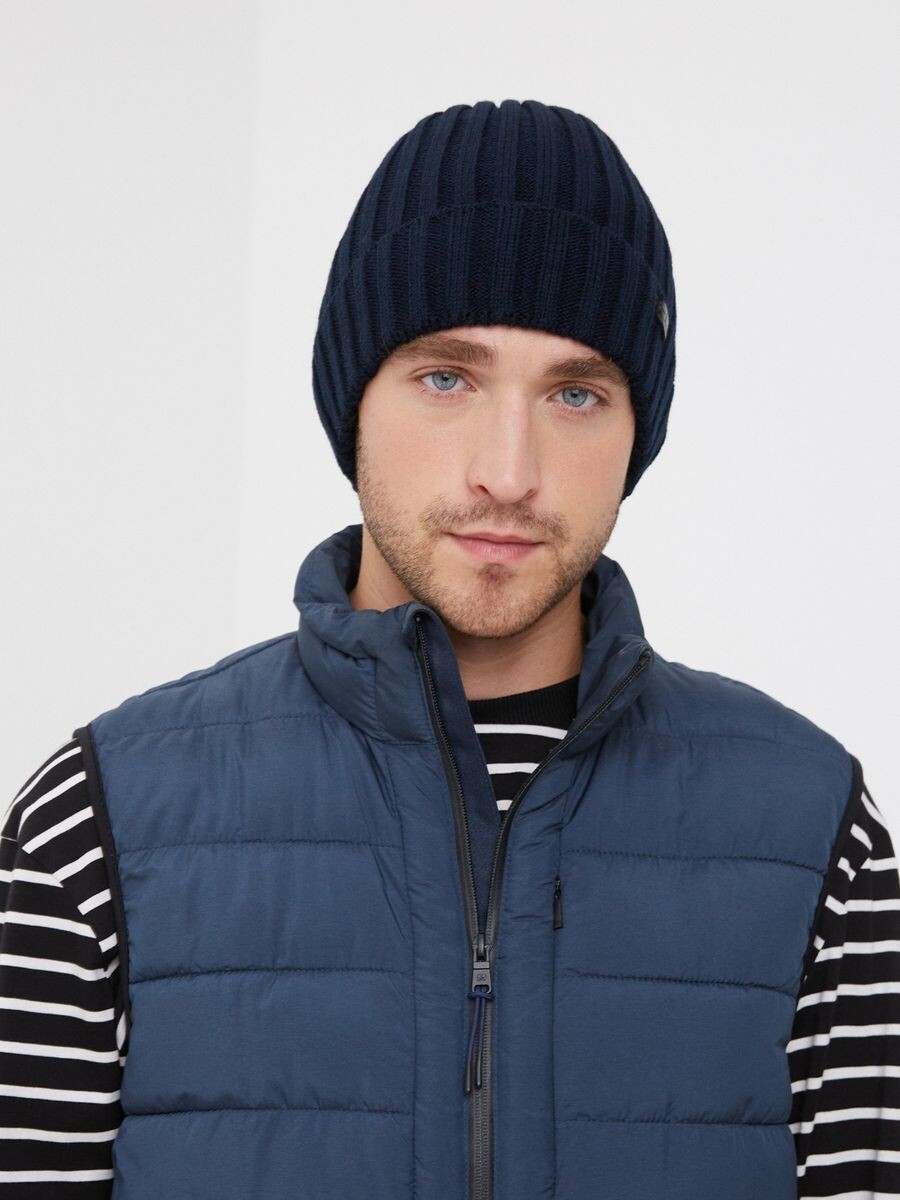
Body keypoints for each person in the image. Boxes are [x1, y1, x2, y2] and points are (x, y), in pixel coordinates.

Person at [1, 98, 897, 1200]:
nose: (508, 472)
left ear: (636, 434)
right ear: (353, 404)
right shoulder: (96, 826)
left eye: (577, 393)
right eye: (446, 377)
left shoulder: (816, 838)